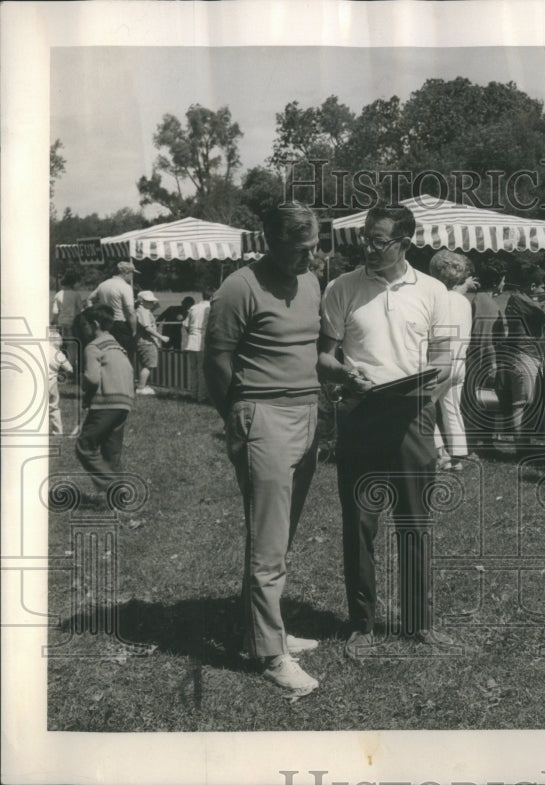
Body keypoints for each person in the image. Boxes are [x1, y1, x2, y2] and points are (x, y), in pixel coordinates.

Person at [317, 203, 455, 659]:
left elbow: (442, 361)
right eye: (365, 239)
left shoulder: (434, 291)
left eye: (379, 241)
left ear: (405, 243)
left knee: (416, 522)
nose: (369, 248)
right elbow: (324, 357)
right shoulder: (342, 288)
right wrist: (344, 377)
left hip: (413, 415)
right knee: (359, 525)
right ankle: (362, 624)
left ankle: (419, 623)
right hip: (360, 413)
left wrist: (426, 398)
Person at [204, 202, 323, 695]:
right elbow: (216, 358)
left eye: (315, 246)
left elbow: (306, 348)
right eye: (300, 249)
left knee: (280, 536)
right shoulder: (239, 287)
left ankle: (267, 629)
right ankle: (271, 656)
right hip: (263, 418)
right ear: (270, 242)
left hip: (308, 415)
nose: (311, 258)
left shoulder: (312, 282)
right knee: (267, 544)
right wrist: (237, 412)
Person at [498, 261, 545, 446]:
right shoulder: (518, 299)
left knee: (527, 401)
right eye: (542, 287)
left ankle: (523, 443)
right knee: (521, 402)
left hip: (531, 354)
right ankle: (521, 447)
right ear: (532, 286)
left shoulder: (528, 300)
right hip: (522, 354)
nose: (544, 290)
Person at [75, 305, 134, 501]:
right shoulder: (117, 346)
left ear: (95, 324)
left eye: (84, 325)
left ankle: (112, 485)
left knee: (84, 446)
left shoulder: (93, 346)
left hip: (106, 403)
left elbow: (92, 379)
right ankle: (118, 499)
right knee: (111, 452)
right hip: (124, 403)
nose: (82, 330)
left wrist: (84, 387)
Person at [428, 249, 476, 470]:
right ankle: (458, 454)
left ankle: (440, 451)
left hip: (442, 362)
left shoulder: (437, 299)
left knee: (423, 406)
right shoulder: (464, 302)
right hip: (460, 362)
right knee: (452, 408)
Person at [463, 256, 507, 451]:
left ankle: (480, 443)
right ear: (496, 282)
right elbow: (484, 337)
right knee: (477, 403)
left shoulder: (475, 299)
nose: (504, 284)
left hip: (471, 358)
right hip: (479, 360)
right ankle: (474, 446)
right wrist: (492, 364)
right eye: (503, 280)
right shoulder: (488, 305)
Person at [87, 261, 138, 360]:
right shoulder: (125, 287)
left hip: (105, 324)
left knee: (107, 354)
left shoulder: (103, 284)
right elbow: (130, 311)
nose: (132, 276)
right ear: (126, 273)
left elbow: (89, 299)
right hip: (120, 324)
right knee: (125, 356)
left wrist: (94, 313)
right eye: (132, 273)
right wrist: (134, 330)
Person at [134, 291, 168, 395]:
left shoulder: (141, 310)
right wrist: (161, 337)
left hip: (143, 341)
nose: (152, 303)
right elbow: (147, 328)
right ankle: (141, 388)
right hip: (147, 342)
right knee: (149, 366)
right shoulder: (143, 312)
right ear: (141, 302)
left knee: (146, 364)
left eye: (152, 301)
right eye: (149, 301)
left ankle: (143, 385)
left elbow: (156, 306)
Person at [182, 291, 212, 402]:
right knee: (202, 369)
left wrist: (191, 332)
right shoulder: (211, 308)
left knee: (193, 369)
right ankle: (202, 396)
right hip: (202, 340)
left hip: (192, 339)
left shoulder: (194, 307)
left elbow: (185, 324)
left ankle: (193, 394)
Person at [47, 327, 74, 435]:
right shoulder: (59, 354)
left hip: (39, 381)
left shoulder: (39, 350)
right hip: (52, 382)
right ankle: (57, 431)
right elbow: (70, 369)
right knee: (53, 407)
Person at [51, 271, 88, 341]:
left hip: (61, 322)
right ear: (72, 284)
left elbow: (55, 312)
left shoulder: (58, 295)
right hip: (72, 322)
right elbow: (81, 309)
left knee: (62, 342)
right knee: (72, 342)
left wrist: (53, 322)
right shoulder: (75, 294)